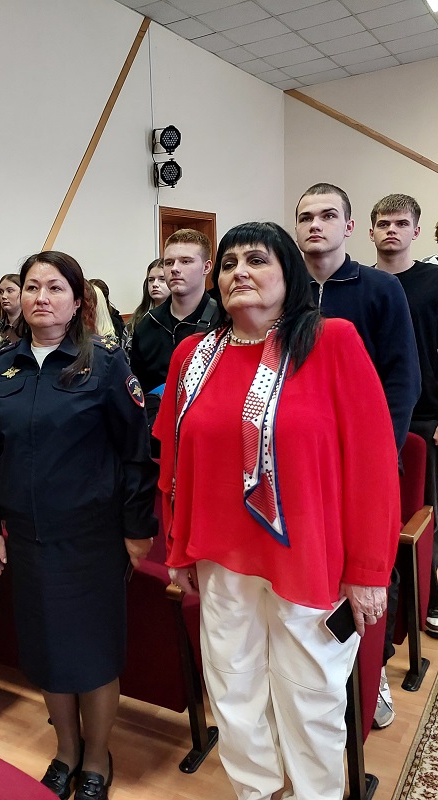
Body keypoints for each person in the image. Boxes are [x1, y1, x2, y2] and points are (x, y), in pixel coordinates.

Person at [155, 221, 400, 800]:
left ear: (288, 272)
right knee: (233, 690)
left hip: (310, 557)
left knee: (310, 695)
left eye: (257, 260)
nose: (240, 271)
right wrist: (177, 547)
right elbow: (175, 463)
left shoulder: (331, 341)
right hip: (221, 557)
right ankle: (256, 792)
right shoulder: (193, 354)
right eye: (230, 262)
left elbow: (372, 462)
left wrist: (368, 570)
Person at [0, 251, 157, 800]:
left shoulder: (104, 364)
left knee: (92, 652)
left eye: (55, 288)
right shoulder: (2, 367)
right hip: (28, 537)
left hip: (91, 538)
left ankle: (97, 757)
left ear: (78, 301)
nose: (41, 297)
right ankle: (66, 751)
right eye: (32, 286)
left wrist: (137, 530)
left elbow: (136, 455)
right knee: (47, 649)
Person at [296, 183, 420, 728]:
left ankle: (375, 673)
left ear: (349, 227)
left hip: (367, 465)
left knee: (368, 574)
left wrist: (376, 459)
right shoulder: (288, 290)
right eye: (306, 217)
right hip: (304, 466)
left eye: (328, 215)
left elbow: (403, 380)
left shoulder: (380, 288)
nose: (315, 225)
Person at [371, 194, 438, 641]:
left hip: (426, 416)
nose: (391, 230)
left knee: (425, 515)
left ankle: (430, 600)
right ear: (370, 231)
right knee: (382, 517)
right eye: (383, 223)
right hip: (371, 414)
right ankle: (388, 614)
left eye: (400, 223)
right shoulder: (363, 283)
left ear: (415, 231)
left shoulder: (434, 282)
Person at [130, 230, 220, 396]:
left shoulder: (223, 322)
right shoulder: (147, 325)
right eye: (169, 262)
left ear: (206, 267)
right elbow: (138, 389)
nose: (175, 269)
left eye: (185, 261)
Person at [121, 259, 168, 356]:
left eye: (162, 279)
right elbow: (125, 358)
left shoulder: (180, 319)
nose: (155, 284)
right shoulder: (135, 322)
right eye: (151, 280)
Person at [0, 273, 23, 344]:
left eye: (9, 291)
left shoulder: (32, 328)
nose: (4, 296)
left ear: (22, 293)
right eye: (1, 292)